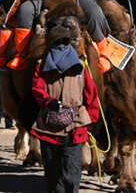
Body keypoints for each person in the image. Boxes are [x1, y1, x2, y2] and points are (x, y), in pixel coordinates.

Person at [30, 12, 100, 193]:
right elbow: (37, 87)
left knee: (72, 171)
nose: (61, 45)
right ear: (51, 43)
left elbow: (91, 95)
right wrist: (48, 101)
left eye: (65, 42)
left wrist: (90, 121)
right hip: (49, 125)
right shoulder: (41, 66)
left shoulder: (81, 68)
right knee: (52, 170)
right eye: (57, 42)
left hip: (76, 125)